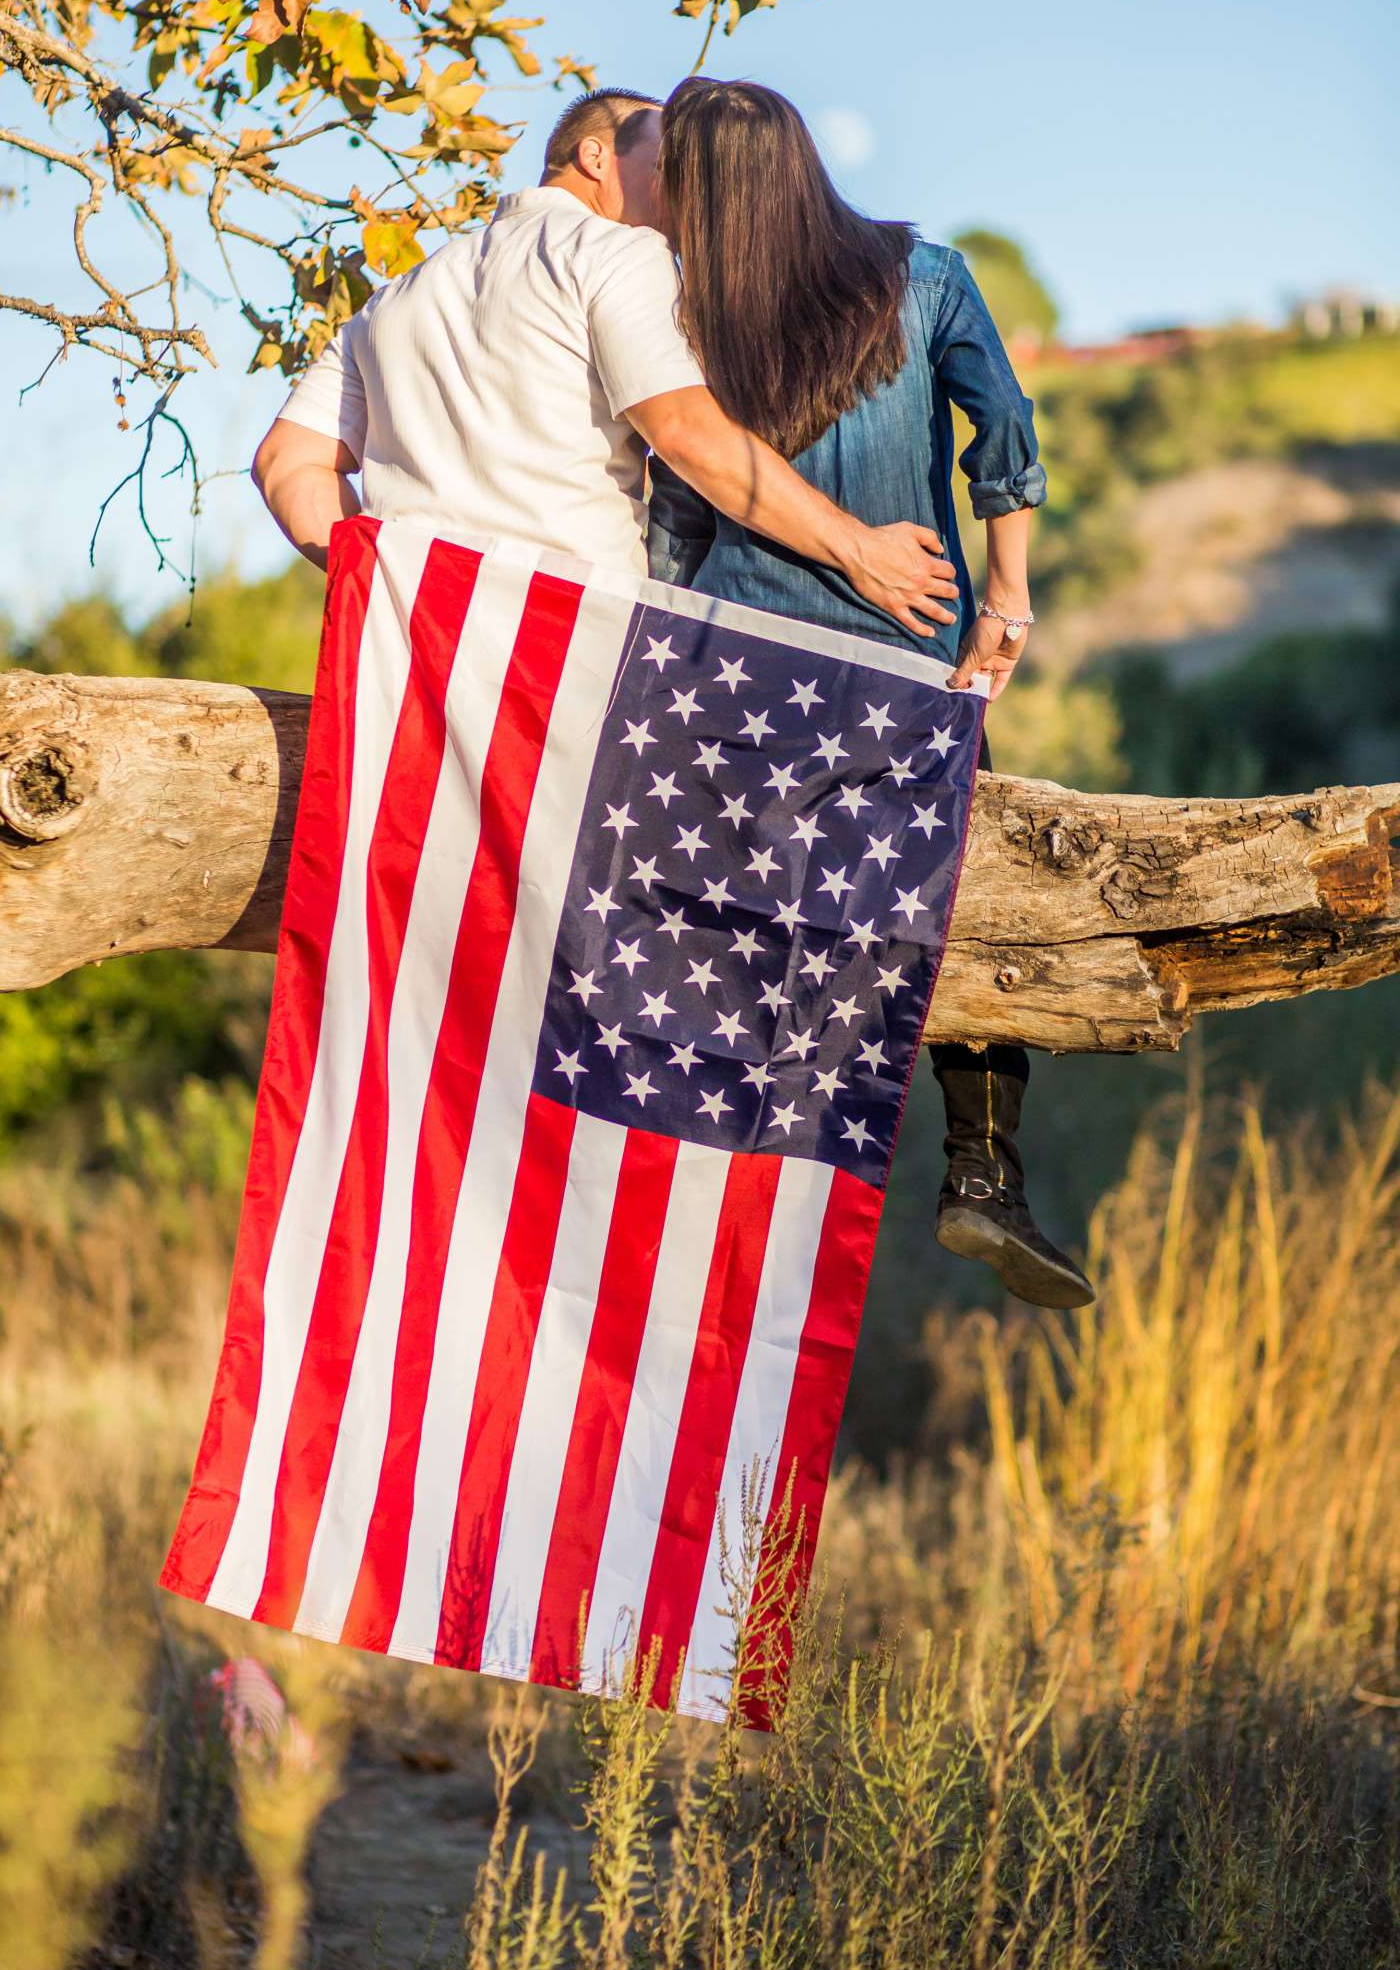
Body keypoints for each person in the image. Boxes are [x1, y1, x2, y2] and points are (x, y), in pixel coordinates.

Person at [648, 76, 1093, 1313]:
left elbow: (677, 514)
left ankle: (719, 1238)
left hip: (738, 673)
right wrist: (1002, 608)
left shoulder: (684, 314)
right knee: (968, 910)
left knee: (742, 955)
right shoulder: (927, 273)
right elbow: (1002, 438)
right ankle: (983, 1173)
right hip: (906, 664)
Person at [251, 87, 959, 648]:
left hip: (416, 638)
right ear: (596, 158)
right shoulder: (617, 254)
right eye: (666, 168)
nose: (686, 197)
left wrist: (393, 579)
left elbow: (286, 463)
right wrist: (858, 549)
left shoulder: (396, 296)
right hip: (569, 640)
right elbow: (685, 432)